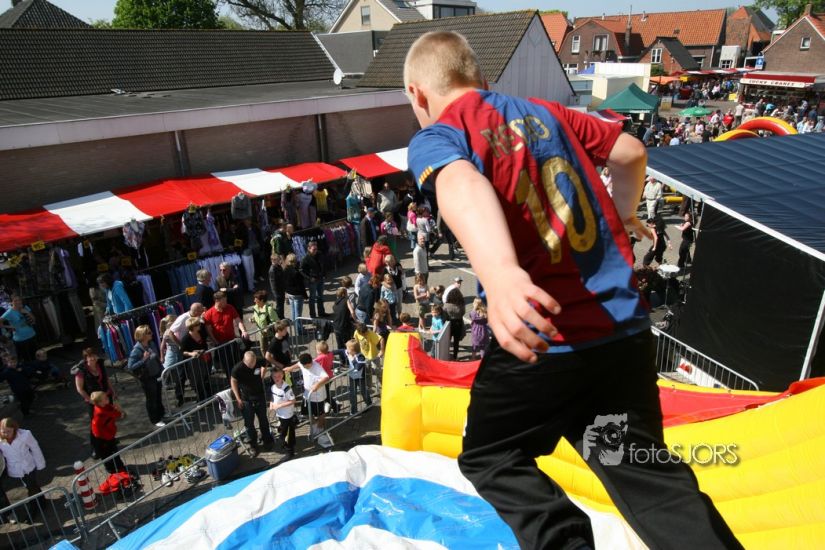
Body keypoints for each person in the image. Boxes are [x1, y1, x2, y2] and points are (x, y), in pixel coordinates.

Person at [404, 31, 740, 550]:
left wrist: (500, 273)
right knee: (646, 478)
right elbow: (629, 151)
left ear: (417, 94)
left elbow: (460, 183)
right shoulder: (550, 112)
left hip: (545, 340)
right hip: (620, 332)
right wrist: (623, 213)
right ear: (482, 79)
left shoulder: (441, 134)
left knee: (490, 454)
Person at [74, 348, 116, 457]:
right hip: (94, 401)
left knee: (109, 419)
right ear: (86, 358)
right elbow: (80, 389)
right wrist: (90, 400)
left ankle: (110, 440)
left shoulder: (100, 364)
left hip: (106, 397)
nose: (93, 358)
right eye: (90, 356)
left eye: (94, 355)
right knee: (96, 424)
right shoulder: (81, 371)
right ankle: (96, 448)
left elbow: (106, 379)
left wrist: (113, 391)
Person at [231, 351, 272, 457]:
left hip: (259, 396)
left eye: (253, 363)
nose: (252, 366)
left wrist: (262, 373)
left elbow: (266, 363)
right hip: (246, 399)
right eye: (249, 364)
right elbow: (233, 381)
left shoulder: (259, 360)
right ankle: (253, 445)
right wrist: (238, 398)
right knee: (249, 424)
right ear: (244, 360)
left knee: (263, 420)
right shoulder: (237, 369)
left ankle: (267, 440)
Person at [288, 353, 330, 447]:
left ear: (310, 363)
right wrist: (290, 368)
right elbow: (298, 364)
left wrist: (317, 385)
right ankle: (315, 428)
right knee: (306, 413)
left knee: (320, 414)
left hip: (318, 397)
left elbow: (326, 377)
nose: (303, 367)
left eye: (305, 366)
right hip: (307, 395)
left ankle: (320, 431)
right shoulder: (302, 364)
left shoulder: (317, 367)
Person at [127, 325, 166, 427]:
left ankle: (161, 414)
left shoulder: (151, 344)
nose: (151, 334)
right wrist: (143, 360)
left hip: (156, 374)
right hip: (147, 378)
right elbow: (130, 366)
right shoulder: (136, 350)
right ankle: (155, 419)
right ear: (142, 335)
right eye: (149, 333)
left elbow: (156, 358)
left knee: (158, 396)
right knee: (151, 398)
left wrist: (162, 369)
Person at [0, 419, 45, 502]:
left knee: (31, 485)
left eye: (9, 431)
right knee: (29, 485)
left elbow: (35, 448)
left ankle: (36, 504)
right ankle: (41, 500)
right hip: (15, 468)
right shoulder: (1, 440)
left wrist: (40, 463)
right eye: (3, 432)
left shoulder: (25, 435)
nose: (6, 434)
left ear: (14, 429)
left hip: (27, 465)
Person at [90, 391, 126, 474]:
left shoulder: (103, 406)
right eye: (105, 398)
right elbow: (120, 414)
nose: (108, 398)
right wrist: (118, 407)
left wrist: (115, 407)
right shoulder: (102, 412)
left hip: (106, 433)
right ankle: (111, 469)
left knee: (113, 450)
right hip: (102, 436)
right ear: (100, 402)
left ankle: (119, 466)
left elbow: (111, 408)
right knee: (106, 453)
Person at [179, 318, 212, 402]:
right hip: (193, 364)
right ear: (192, 327)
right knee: (197, 381)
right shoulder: (186, 338)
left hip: (205, 359)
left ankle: (209, 397)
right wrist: (191, 353)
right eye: (197, 324)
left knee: (206, 377)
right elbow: (182, 351)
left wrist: (202, 350)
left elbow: (204, 344)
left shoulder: (201, 333)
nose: (200, 325)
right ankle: (201, 400)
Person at [268, 367, 296, 457]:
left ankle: (290, 452)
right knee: (285, 431)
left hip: (287, 415)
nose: (277, 378)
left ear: (283, 375)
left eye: (279, 376)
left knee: (286, 433)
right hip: (280, 414)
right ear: (272, 377)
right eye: (275, 376)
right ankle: (289, 443)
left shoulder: (287, 388)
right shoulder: (273, 387)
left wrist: (279, 406)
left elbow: (293, 400)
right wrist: (271, 404)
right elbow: (272, 397)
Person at [0, 295, 38, 362]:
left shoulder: (25, 307)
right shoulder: (9, 312)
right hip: (21, 340)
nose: (18, 302)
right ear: (11, 302)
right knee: (27, 360)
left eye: (19, 300)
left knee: (36, 356)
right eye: (15, 300)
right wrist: (10, 327)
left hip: (32, 335)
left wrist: (27, 312)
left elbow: (34, 319)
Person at [159, 314, 185, 406]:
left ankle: (176, 384)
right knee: (167, 368)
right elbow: (162, 346)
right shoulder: (167, 333)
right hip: (171, 354)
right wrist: (162, 356)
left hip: (178, 353)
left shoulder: (176, 330)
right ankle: (165, 382)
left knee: (178, 371)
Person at [300, 241, 328, 318]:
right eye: (314, 249)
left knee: (320, 296)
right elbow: (301, 270)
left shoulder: (320, 254)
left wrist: (324, 274)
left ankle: (321, 312)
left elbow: (323, 264)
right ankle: (313, 315)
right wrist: (309, 278)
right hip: (313, 281)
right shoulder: (305, 258)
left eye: (316, 249)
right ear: (309, 249)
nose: (315, 251)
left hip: (320, 278)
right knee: (312, 298)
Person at [344, 340, 372, 414]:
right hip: (352, 377)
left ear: (352, 350)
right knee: (352, 393)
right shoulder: (348, 353)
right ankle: (354, 410)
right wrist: (329, 353)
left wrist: (352, 359)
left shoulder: (360, 357)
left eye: (347, 348)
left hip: (360, 377)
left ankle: (369, 403)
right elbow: (340, 351)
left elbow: (358, 367)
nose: (346, 350)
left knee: (363, 391)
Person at [282, 253, 307, 332]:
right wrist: (305, 295)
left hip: (289, 293)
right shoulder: (296, 272)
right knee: (298, 314)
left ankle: (296, 328)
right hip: (297, 294)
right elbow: (300, 285)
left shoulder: (285, 270)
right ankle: (299, 330)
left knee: (293, 312)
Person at [251, 290, 279, 354]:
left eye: (256, 299)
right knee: (263, 349)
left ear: (262, 300)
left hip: (270, 333)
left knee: (273, 349)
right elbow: (256, 316)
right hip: (261, 333)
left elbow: (276, 321)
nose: (254, 301)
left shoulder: (269, 309)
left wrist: (268, 327)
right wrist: (252, 319)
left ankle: (275, 359)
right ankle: (266, 360)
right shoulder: (256, 307)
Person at [268, 254, 286, 321]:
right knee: (279, 306)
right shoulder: (272, 270)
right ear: (273, 260)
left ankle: (282, 317)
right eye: (278, 260)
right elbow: (273, 283)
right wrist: (276, 293)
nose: (279, 261)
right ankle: (279, 318)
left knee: (281, 304)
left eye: (279, 259)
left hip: (281, 289)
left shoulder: (278, 266)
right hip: (277, 291)